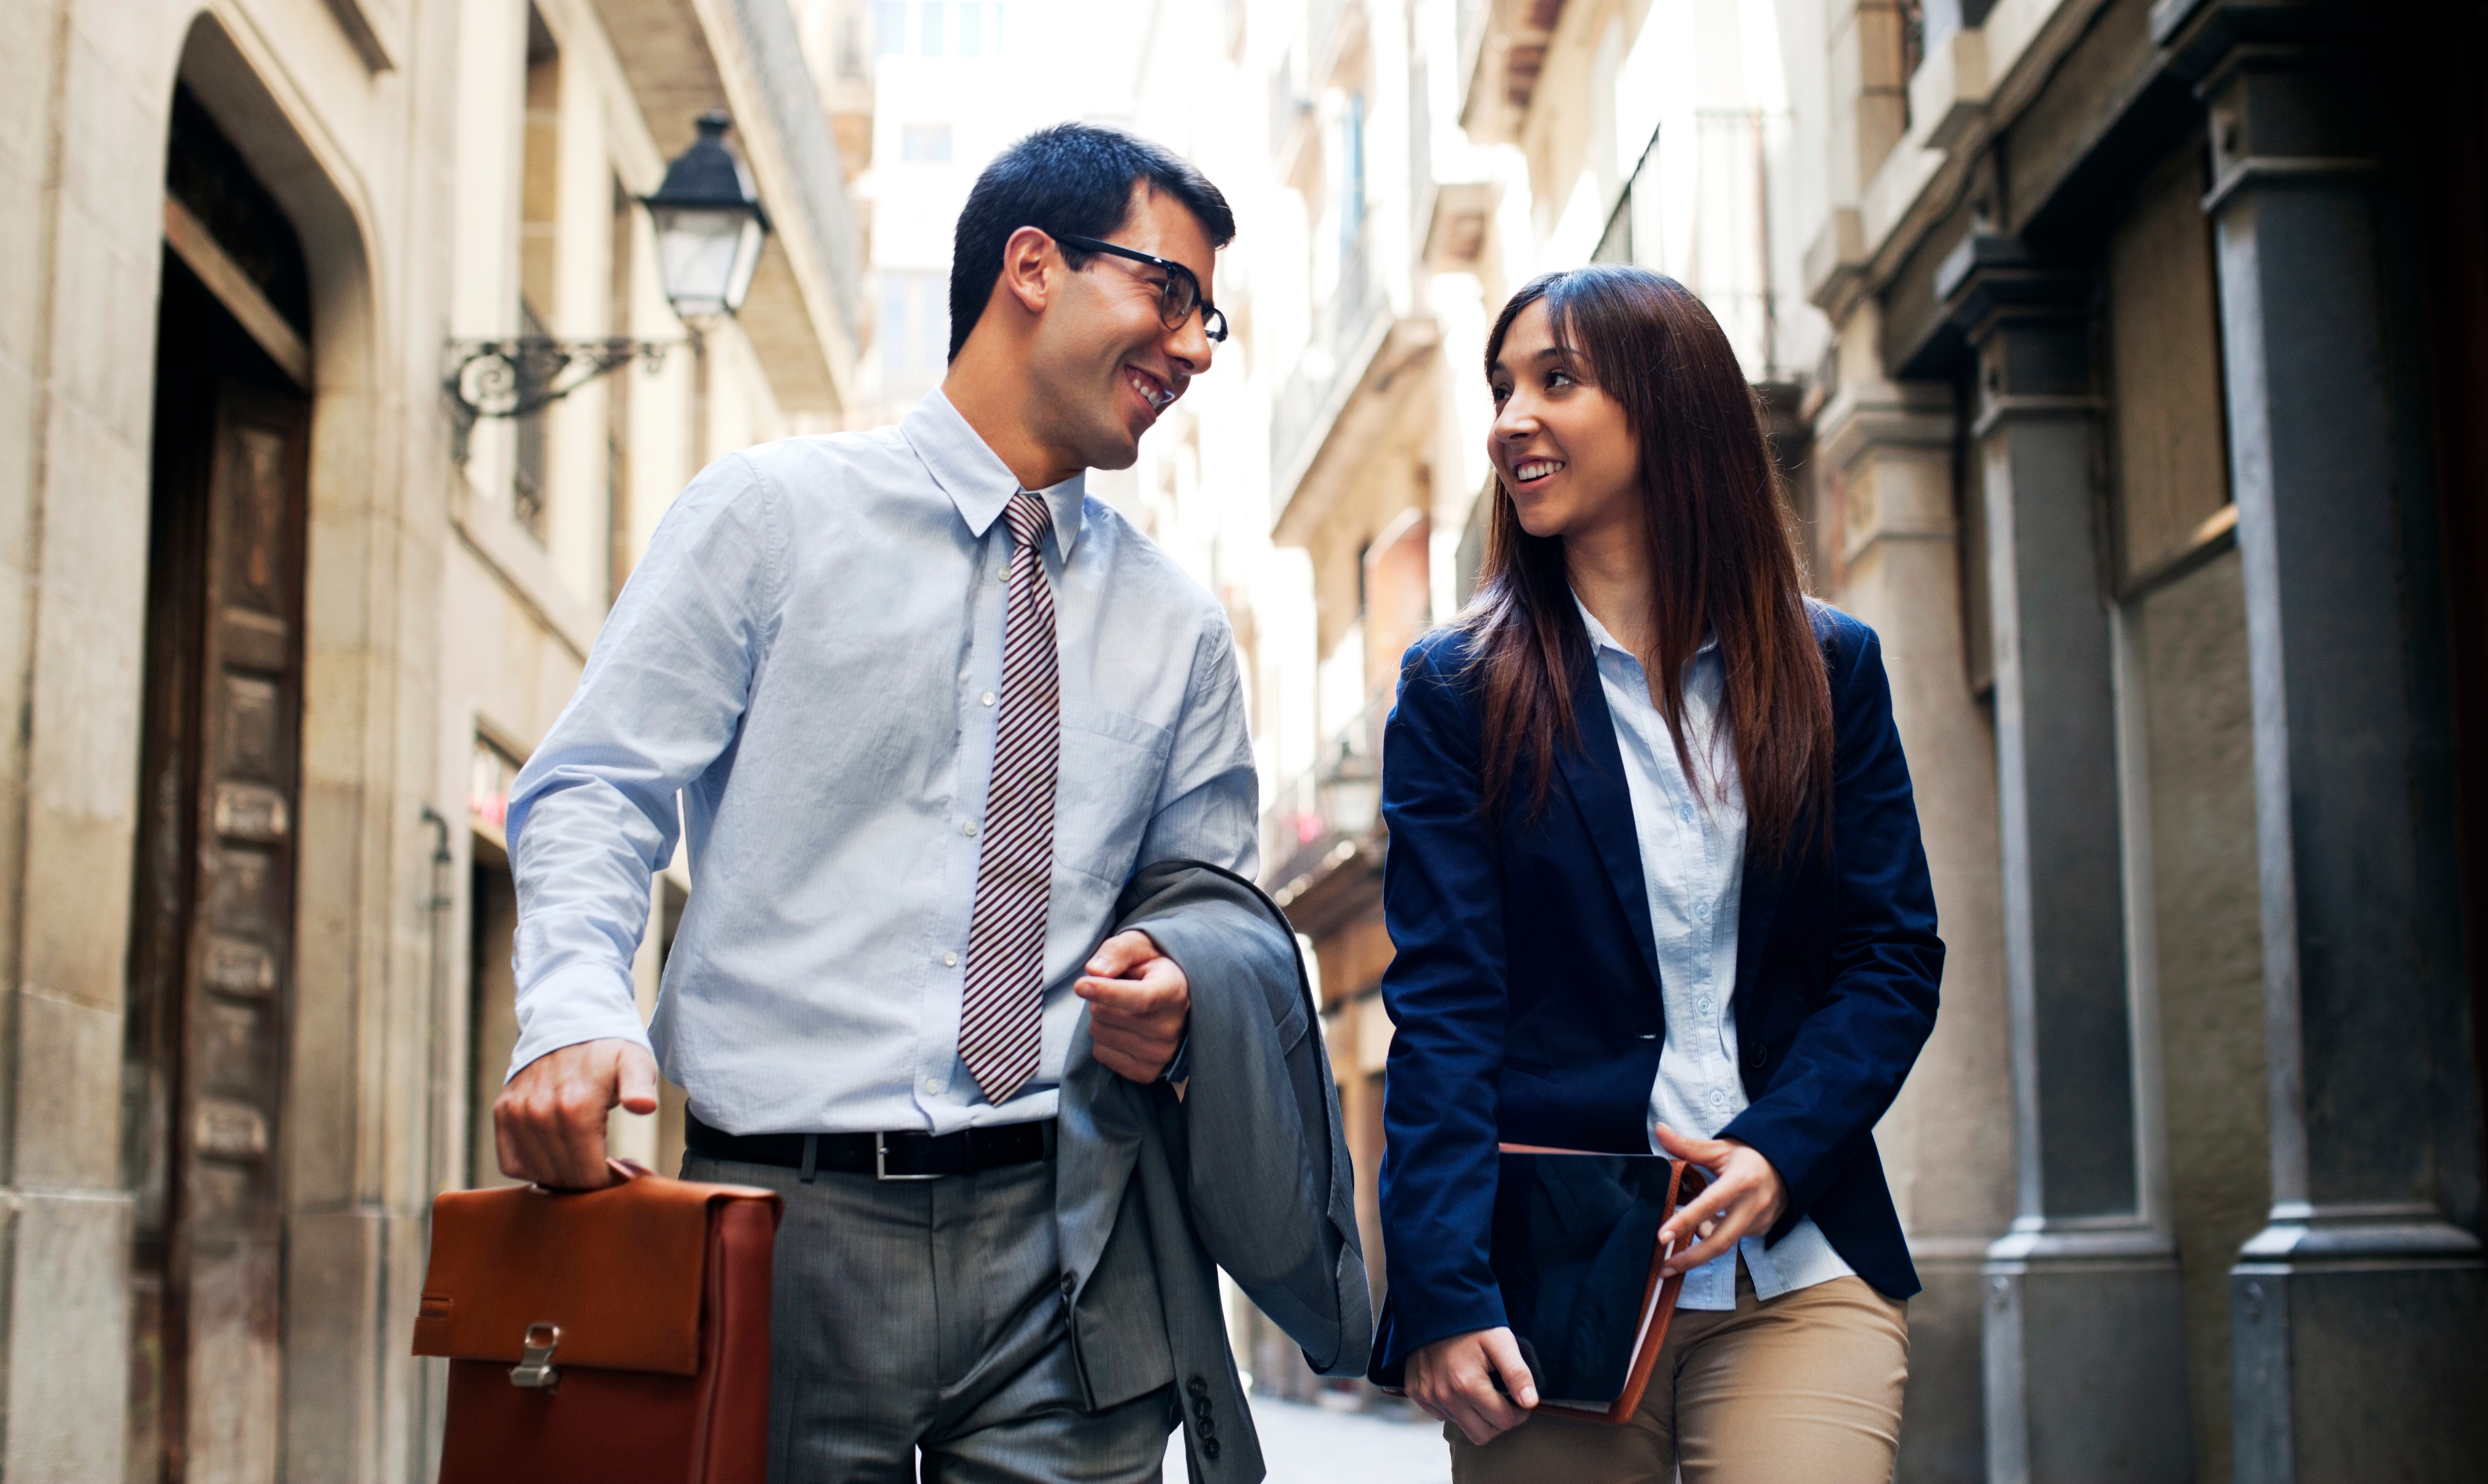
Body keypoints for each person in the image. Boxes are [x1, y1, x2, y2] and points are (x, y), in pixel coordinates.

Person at [495, 123, 1269, 1482]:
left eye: (1211, 316)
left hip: (1070, 1239)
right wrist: (569, 1008)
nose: (1198, 347)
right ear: (1033, 265)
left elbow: (1211, 904)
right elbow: (596, 784)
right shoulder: (768, 516)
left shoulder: (1182, 627)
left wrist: (1179, 981)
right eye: (1170, 293)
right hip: (774, 1223)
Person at [1368, 266, 1946, 1482]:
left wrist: (1780, 1147)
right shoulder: (1455, 693)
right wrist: (1437, 1289)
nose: (1509, 418)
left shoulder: (1830, 668)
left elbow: (1888, 954)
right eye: (1501, 386)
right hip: (1552, 1292)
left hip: (1796, 1263)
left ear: (1669, 404)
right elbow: (1445, 1007)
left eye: (1556, 381)